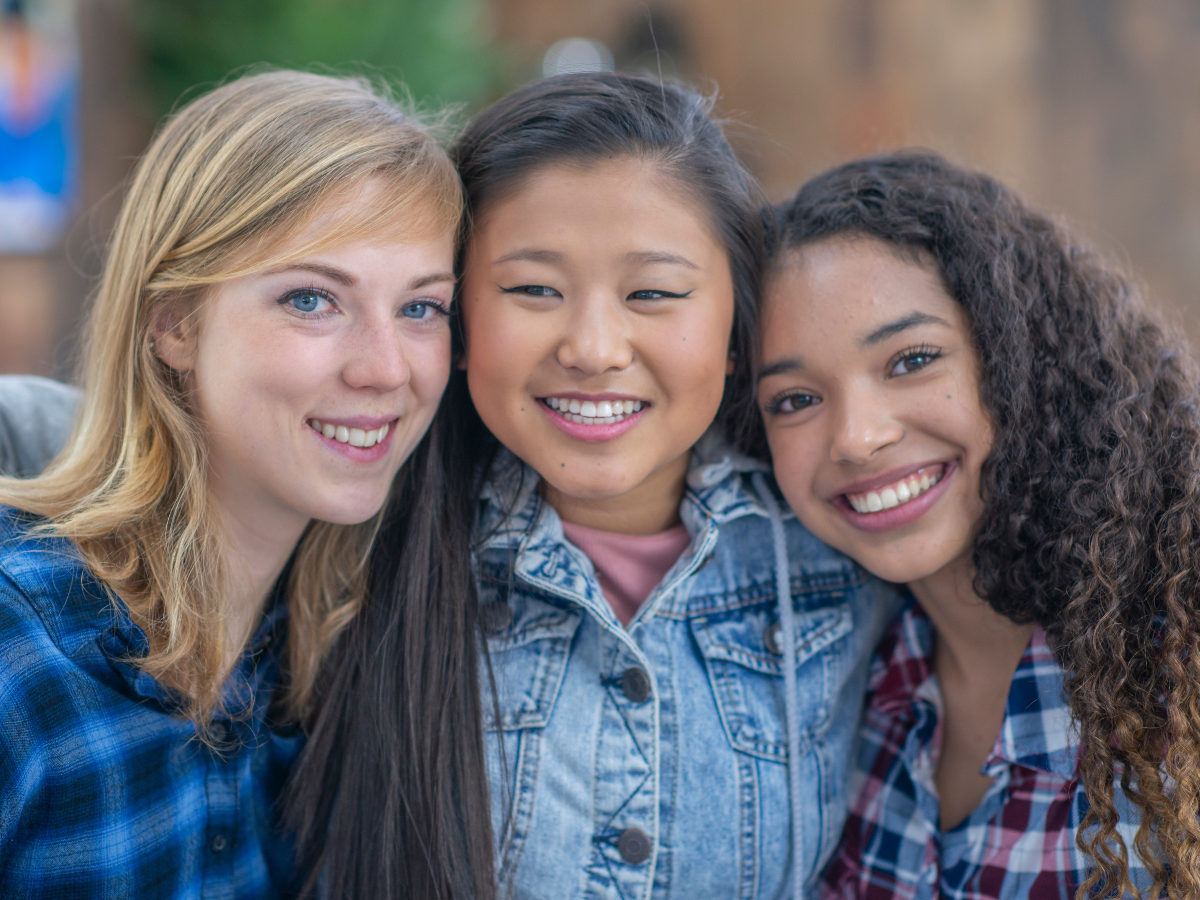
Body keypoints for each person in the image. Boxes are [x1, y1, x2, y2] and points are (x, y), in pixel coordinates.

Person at [293, 72, 905, 900]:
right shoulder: (351, 544)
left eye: (652, 293)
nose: (592, 346)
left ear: (736, 331)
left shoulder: (840, 543)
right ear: (459, 319)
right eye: (533, 289)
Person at [0, 69, 465, 898]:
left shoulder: (323, 657)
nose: (387, 368)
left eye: (422, 308)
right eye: (314, 299)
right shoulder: (20, 650)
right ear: (174, 323)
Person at [757, 150, 1199, 898]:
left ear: (1023, 354)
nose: (857, 437)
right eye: (795, 399)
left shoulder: (1176, 672)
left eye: (912, 359)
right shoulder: (838, 688)